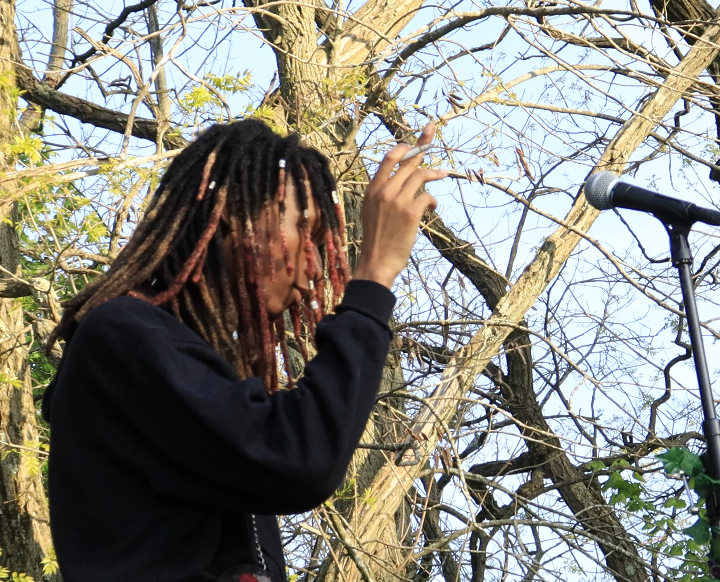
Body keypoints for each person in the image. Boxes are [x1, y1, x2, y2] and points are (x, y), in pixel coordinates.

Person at [40, 118, 448, 582]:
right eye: (305, 231)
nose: (316, 268)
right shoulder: (126, 336)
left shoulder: (188, 371)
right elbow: (300, 457)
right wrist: (373, 278)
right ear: (235, 212)